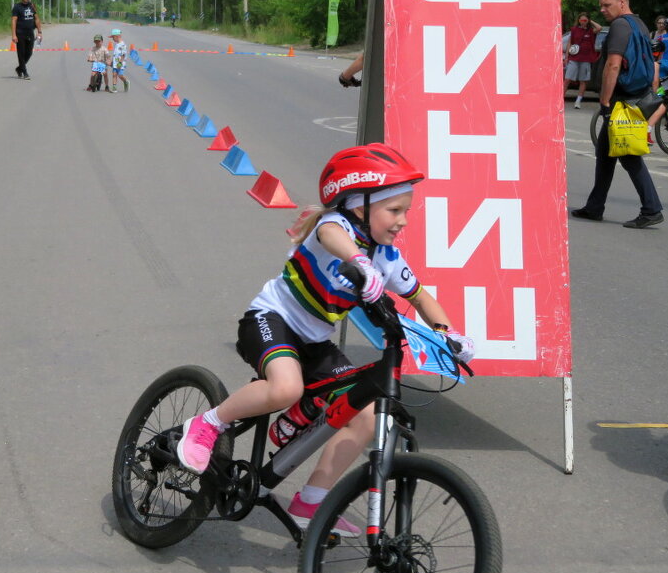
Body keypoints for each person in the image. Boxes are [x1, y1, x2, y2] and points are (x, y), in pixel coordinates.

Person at [174, 143, 475, 534]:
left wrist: (448, 333)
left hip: (315, 342)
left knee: (365, 417)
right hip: (271, 319)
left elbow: (419, 295)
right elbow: (332, 234)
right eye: (395, 210)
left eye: (407, 211)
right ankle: (207, 424)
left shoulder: (387, 256)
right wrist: (360, 263)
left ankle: (309, 503)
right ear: (358, 204)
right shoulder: (335, 227)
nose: (403, 221)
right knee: (285, 388)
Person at [571, 0, 663, 228]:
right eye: (601, 5)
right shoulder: (639, 24)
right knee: (605, 153)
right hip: (636, 96)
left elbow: (613, 64)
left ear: (622, 2)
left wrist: (604, 100)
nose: (602, 9)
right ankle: (594, 206)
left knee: (629, 156)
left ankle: (652, 209)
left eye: (606, 4)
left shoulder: (620, 26)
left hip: (621, 101)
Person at [563, 12, 603, 108]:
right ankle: (561, 98)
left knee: (583, 80)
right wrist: (567, 57)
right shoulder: (574, 30)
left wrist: (590, 21)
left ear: (587, 20)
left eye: (585, 20)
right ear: (578, 20)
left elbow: (599, 28)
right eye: (581, 20)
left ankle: (578, 101)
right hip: (574, 58)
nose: (583, 22)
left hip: (586, 59)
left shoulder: (591, 31)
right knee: (567, 79)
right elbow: (570, 43)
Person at [10, 0, 42, 79]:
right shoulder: (17, 7)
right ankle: (25, 73)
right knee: (21, 53)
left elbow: (37, 19)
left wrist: (39, 32)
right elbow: (14, 20)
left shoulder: (32, 6)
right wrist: (13, 35)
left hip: (30, 33)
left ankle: (19, 69)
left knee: (29, 53)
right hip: (20, 33)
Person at [109, 28, 129, 92]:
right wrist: (112, 61)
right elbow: (115, 54)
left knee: (120, 75)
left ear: (117, 36)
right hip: (115, 63)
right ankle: (114, 88)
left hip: (120, 63)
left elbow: (123, 54)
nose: (112, 39)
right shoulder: (117, 44)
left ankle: (126, 81)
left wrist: (120, 62)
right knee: (114, 75)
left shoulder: (122, 44)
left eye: (113, 37)